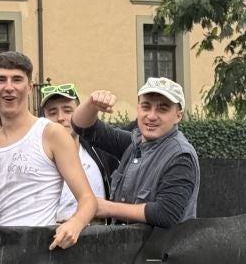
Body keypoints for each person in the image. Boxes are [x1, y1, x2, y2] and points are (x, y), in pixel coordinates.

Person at [0, 52, 96, 249]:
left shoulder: (52, 134)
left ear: (29, 87)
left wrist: (75, 223)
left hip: (38, 253)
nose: (9, 87)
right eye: (1, 80)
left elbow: (87, 199)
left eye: (17, 79)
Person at [70, 77, 199, 227]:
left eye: (162, 109)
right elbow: (82, 128)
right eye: (146, 107)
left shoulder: (180, 156)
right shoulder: (133, 143)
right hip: (127, 247)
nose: (151, 116)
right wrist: (91, 104)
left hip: (161, 250)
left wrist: (106, 208)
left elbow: (166, 214)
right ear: (138, 109)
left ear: (178, 116)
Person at [38, 82, 119, 222]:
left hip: (99, 236)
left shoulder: (102, 152)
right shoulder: (36, 157)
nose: (60, 118)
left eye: (68, 110)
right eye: (52, 112)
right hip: (52, 236)